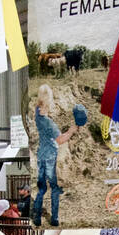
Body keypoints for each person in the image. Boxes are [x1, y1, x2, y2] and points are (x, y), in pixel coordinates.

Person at [32, 84, 75, 227]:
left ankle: (37, 218)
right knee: (54, 189)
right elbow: (60, 139)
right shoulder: (49, 124)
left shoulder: (37, 115)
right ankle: (54, 218)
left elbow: (40, 105)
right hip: (50, 156)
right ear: (48, 101)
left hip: (40, 155)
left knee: (42, 188)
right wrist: (71, 131)